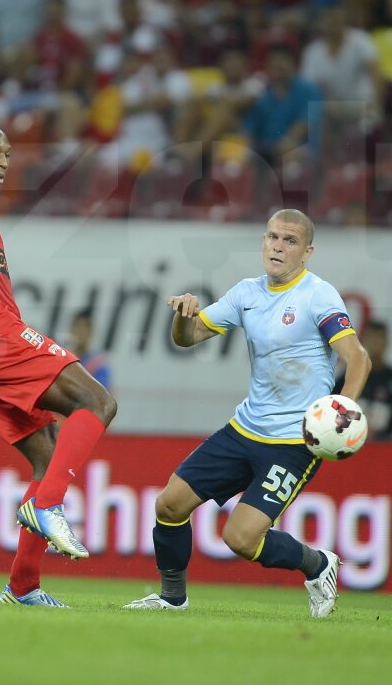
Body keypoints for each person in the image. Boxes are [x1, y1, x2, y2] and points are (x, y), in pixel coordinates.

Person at [122, 209, 370, 618]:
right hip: (244, 428)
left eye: (289, 241)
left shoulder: (318, 296)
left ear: (307, 252)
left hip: (294, 441)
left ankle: (317, 564)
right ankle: (171, 598)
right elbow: (189, 339)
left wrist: (343, 410)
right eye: (272, 237)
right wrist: (183, 318)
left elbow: (357, 359)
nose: (277, 245)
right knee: (169, 505)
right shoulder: (247, 294)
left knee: (240, 538)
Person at [0, 120, 118, 608]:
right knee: (97, 401)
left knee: (48, 455)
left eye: (8, 154)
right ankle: (48, 504)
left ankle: (22, 586)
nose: (4, 161)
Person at [68, 310, 111, 391]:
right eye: (78, 326)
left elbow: (101, 396)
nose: (81, 332)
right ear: (71, 330)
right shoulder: (64, 359)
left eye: (85, 327)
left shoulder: (99, 366)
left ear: (91, 332)